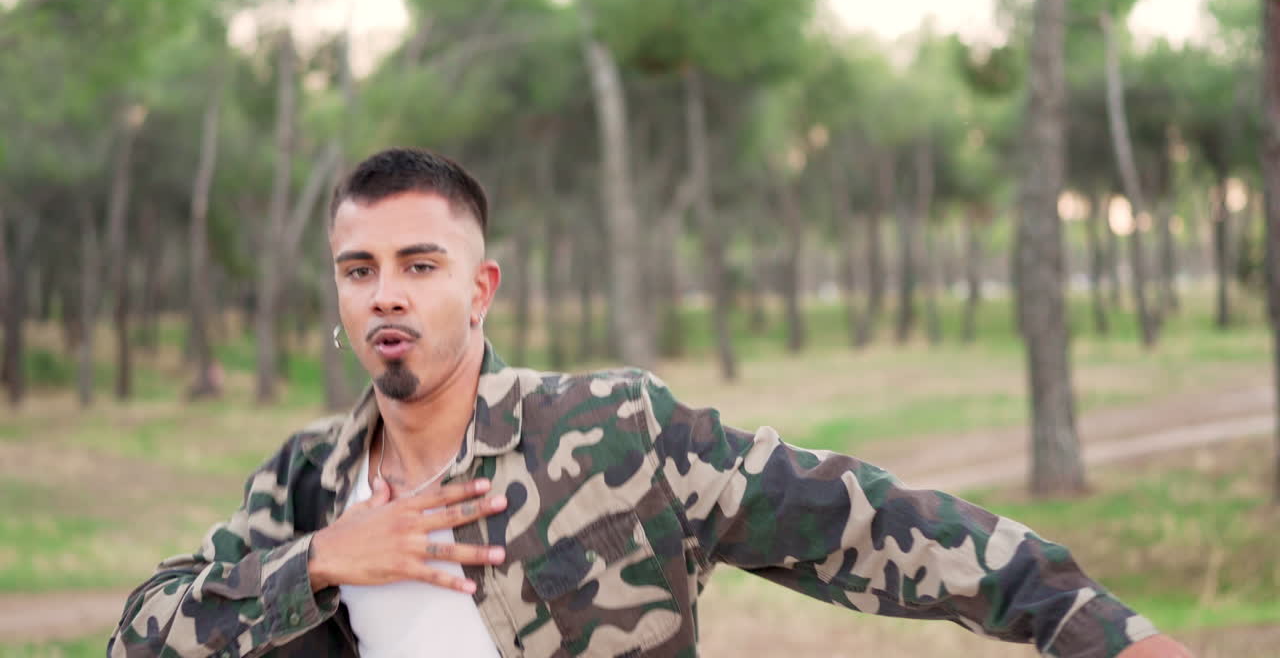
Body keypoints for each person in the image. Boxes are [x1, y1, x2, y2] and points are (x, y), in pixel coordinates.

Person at [108, 147, 1191, 658]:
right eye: (357, 269)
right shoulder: (305, 481)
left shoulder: (612, 434)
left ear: (479, 288)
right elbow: (141, 637)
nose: (385, 292)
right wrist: (328, 558)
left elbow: (864, 523)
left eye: (418, 263)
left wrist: (1096, 629)